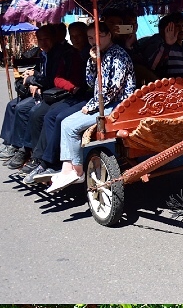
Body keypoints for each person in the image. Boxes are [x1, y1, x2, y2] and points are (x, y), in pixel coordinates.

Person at [46, 20, 136, 193]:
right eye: (90, 38)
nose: (94, 41)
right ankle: (67, 169)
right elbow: (90, 82)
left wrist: (92, 105)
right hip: (105, 103)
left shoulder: (118, 55)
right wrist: (94, 61)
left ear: (108, 35)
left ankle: (77, 170)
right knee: (65, 122)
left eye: (98, 36)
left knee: (70, 126)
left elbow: (112, 89)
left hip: (119, 106)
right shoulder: (101, 54)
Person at [6, 24, 88, 174]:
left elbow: (75, 82)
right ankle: (26, 151)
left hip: (77, 96)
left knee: (47, 115)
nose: (75, 39)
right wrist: (33, 79)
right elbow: (57, 78)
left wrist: (72, 87)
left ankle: (46, 160)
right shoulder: (67, 54)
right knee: (26, 109)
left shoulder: (81, 54)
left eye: (79, 36)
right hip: (62, 92)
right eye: (73, 36)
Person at [0, 26, 62, 159]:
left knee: (22, 109)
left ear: (53, 39)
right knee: (11, 105)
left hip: (49, 93)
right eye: (41, 40)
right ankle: (8, 142)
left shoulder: (57, 55)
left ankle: (21, 147)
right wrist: (30, 73)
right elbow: (39, 72)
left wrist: (32, 80)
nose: (44, 42)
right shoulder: (43, 54)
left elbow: (49, 79)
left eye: (47, 39)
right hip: (40, 89)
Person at [139, 13, 183, 81]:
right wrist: (168, 45)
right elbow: (153, 66)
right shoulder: (160, 46)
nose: (181, 29)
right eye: (177, 26)